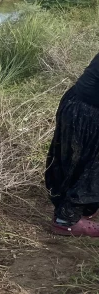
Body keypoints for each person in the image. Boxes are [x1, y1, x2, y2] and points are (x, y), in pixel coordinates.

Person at [46, 52, 99, 237]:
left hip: (80, 105)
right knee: (88, 167)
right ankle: (67, 219)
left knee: (83, 165)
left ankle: (86, 206)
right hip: (88, 112)